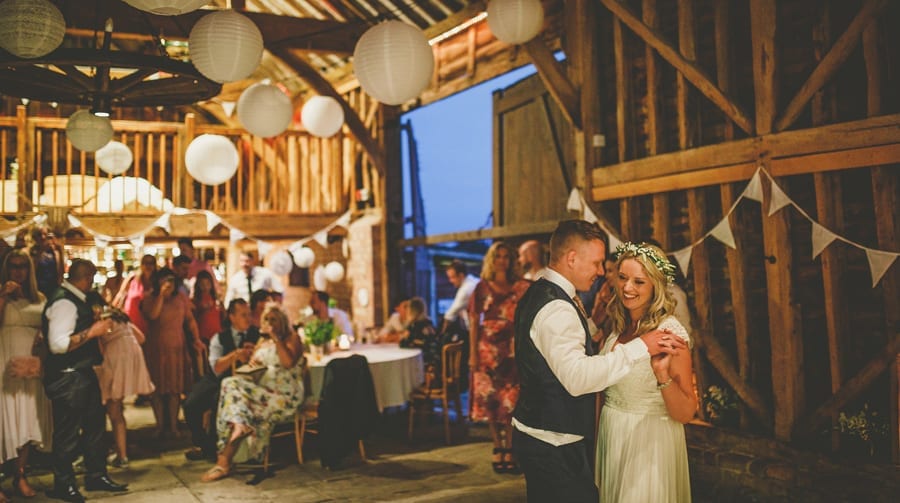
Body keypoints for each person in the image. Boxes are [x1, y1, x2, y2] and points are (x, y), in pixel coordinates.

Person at [511, 220, 685, 502]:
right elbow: (578, 378)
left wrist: (593, 324)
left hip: (545, 433)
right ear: (571, 258)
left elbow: (554, 344)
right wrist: (641, 346)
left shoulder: (541, 292)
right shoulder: (557, 308)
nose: (602, 272)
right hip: (554, 441)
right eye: (596, 263)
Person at [595, 242, 696, 502]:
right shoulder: (619, 325)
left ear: (656, 286)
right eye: (622, 278)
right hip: (613, 435)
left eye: (639, 282)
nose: (627, 288)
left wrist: (662, 374)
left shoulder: (669, 332)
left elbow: (686, 413)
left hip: (649, 443)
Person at [42, 259, 127, 502]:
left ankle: (96, 475)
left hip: (82, 372)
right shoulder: (65, 302)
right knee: (68, 433)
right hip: (67, 375)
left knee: (95, 426)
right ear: (88, 277)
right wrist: (93, 332)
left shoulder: (78, 299)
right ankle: (64, 484)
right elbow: (58, 345)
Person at [201, 304, 305, 482]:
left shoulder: (292, 338)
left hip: (284, 395)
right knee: (230, 384)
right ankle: (238, 429)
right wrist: (253, 364)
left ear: (282, 321)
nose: (270, 323)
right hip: (262, 391)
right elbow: (256, 368)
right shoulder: (262, 342)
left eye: (274, 319)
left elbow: (288, 362)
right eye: (266, 319)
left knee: (232, 392)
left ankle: (224, 460)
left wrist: (276, 338)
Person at [467, 241, 530, 473]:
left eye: (506, 256)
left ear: (512, 260)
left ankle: (510, 446)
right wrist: (473, 354)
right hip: (488, 351)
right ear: (491, 260)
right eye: (498, 256)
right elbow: (474, 321)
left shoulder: (521, 286)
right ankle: (497, 446)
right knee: (491, 401)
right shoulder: (481, 287)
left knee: (511, 401)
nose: (502, 260)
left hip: (513, 350)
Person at [0, 250, 51, 498]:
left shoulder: (39, 297)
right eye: (13, 266)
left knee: (27, 418)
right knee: (4, 419)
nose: (18, 271)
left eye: (22, 266)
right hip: (5, 363)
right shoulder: (2, 295)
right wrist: (3, 296)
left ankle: (20, 475)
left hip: (30, 366)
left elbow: (47, 327)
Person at [183, 299, 259, 462]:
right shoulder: (219, 338)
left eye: (249, 314)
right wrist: (235, 355)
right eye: (243, 315)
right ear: (232, 317)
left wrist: (254, 352)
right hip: (217, 378)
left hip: (243, 382)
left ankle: (216, 448)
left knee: (219, 401)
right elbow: (216, 367)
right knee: (191, 403)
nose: (248, 319)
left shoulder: (258, 335)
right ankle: (202, 443)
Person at [88, 294, 154, 469]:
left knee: (112, 411)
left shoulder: (100, 322)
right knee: (116, 411)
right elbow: (141, 338)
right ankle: (120, 454)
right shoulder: (120, 318)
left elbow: (99, 351)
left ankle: (116, 455)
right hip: (130, 361)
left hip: (113, 363)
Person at [140, 268, 203, 438]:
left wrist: (196, 339)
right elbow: (152, 315)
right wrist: (161, 295)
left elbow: (190, 320)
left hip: (176, 347)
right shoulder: (149, 298)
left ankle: (174, 426)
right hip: (156, 348)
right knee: (157, 390)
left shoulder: (180, 298)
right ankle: (160, 425)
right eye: (165, 280)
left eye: (172, 280)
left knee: (174, 389)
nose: (169, 284)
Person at [112, 254, 156, 334]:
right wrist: (113, 311)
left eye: (151, 263)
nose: (148, 266)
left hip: (150, 324)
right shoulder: (133, 278)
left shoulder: (156, 282)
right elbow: (121, 294)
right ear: (141, 264)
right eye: (145, 263)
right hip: (132, 321)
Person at [399, 297, 441, 380]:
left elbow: (403, 343)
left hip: (424, 362)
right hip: (436, 360)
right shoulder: (428, 322)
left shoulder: (414, 325)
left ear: (411, 311)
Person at [441, 260, 478, 336]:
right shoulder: (474, 281)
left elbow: (450, 315)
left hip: (478, 330)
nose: (450, 281)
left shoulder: (465, 290)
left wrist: (441, 336)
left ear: (461, 275)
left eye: (452, 277)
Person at [29, 227, 64, 299]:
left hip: (53, 288)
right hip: (38, 288)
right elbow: (31, 270)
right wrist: (41, 251)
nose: (43, 237)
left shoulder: (55, 252)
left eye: (45, 234)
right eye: (39, 234)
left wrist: (60, 251)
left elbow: (61, 272)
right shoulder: (32, 251)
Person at [192, 270, 223, 345]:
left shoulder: (215, 299)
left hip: (217, 334)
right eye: (202, 284)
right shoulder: (195, 301)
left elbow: (222, 316)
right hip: (203, 335)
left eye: (208, 284)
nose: (205, 287)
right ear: (198, 285)